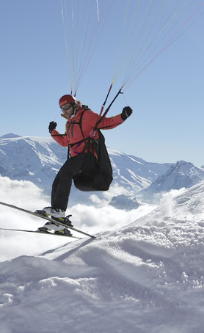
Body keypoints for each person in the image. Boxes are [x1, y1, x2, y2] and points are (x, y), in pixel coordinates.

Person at [36, 94, 132, 234]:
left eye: (67, 107)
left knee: (65, 174)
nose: (64, 111)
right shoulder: (70, 123)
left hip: (88, 157)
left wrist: (122, 116)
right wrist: (53, 132)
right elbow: (65, 142)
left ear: (74, 105)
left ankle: (59, 212)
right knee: (58, 180)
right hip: (77, 158)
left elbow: (105, 123)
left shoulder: (86, 115)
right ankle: (57, 220)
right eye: (62, 109)